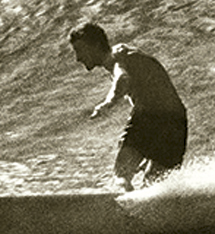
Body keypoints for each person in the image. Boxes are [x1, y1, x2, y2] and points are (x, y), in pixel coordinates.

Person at [69, 23, 187, 192]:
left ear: (95, 45)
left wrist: (108, 103)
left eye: (79, 50)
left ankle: (126, 208)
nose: (78, 58)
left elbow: (123, 78)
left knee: (121, 173)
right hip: (177, 123)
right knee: (154, 186)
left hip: (151, 116)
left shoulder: (117, 56)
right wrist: (151, 149)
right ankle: (147, 213)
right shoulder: (127, 54)